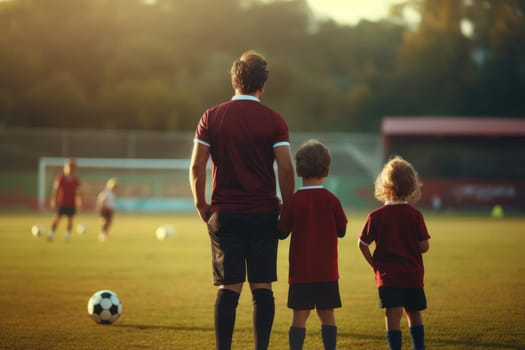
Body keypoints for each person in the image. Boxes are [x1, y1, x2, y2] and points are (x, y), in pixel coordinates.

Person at [189, 50, 295, 350]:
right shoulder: (274, 120)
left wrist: (201, 204)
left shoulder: (212, 116)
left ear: (234, 79)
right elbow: (286, 167)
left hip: (224, 214)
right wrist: (287, 209)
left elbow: (197, 166)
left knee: (228, 288)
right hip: (263, 215)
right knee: (263, 287)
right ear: (263, 84)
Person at [276, 139, 348, 350]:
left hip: (301, 273)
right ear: (326, 170)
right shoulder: (332, 200)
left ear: (299, 170)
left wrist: (281, 210)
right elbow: (342, 231)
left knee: (299, 317)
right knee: (328, 316)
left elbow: (281, 233)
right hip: (327, 273)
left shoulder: (294, 202)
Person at [358, 156, 430, 350]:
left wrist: (374, 264)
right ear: (411, 186)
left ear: (384, 185)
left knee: (392, 314)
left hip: (388, 277)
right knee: (414, 313)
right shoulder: (415, 215)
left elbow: (362, 243)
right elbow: (424, 246)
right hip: (412, 275)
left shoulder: (376, 216)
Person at [48, 158, 82, 242]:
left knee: (70, 220)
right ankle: (51, 234)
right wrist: (53, 199)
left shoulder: (76, 180)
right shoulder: (61, 178)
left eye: (72, 168)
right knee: (57, 218)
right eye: (68, 167)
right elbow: (56, 190)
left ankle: (67, 236)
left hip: (71, 203)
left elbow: (78, 192)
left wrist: (79, 201)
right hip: (62, 203)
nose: (70, 169)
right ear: (65, 168)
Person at [95, 177, 118, 242]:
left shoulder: (113, 194)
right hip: (105, 210)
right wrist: (101, 208)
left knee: (109, 222)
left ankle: (105, 233)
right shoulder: (105, 192)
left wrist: (113, 209)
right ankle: (102, 234)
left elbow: (112, 203)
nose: (115, 188)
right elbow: (101, 200)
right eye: (114, 186)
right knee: (105, 222)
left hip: (110, 210)